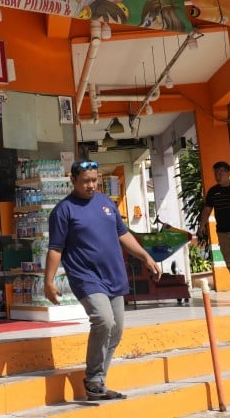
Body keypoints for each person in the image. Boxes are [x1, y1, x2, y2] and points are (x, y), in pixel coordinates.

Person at [44, 160, 160, 401]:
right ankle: (94, 378)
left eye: (94, 180)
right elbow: (55, 248)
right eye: (86, 181)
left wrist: (146, 256)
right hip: (86, 277)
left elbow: (123, 234)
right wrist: (49, 281)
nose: (91, 185)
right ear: (73, 180)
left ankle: (97, 384)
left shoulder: (106, 203)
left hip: (114, 275)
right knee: (103, 320)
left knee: (116, 330)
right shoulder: (64, 210)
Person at [197, 160, 230, 303]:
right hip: (222, 231)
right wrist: (202, 225)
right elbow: (207, 210)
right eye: (215, 173)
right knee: (229, 261)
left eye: (220, 173)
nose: (217, 176)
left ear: (228, 173)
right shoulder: (213, 192)